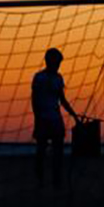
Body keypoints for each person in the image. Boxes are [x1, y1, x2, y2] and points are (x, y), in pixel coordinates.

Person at [32, 48, 80, 188]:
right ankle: (40, 179)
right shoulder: (39, 77)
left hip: (55, 119)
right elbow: (34, 100)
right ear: (48, 61)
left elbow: (62, 99)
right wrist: (37, 119)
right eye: (56, 62)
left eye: (59, 62)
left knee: (58, 151)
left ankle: (56, 180)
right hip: (43, 118)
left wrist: (74, 115)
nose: (57, 65)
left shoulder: (59, 78)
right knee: (41, 150)